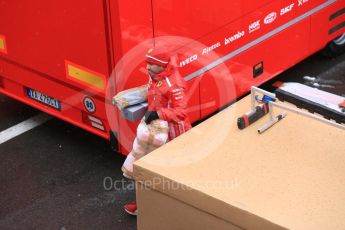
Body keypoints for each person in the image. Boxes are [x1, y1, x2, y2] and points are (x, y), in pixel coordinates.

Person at [123, 48, 192, 216]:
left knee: (166, 173)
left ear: (161, 66)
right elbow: (154, 94)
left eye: (152, 64)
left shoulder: (174, 84)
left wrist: (158, 114)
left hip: (173, 134)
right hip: (155, 131)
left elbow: (181, 113)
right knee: (147, 169)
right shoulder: (156, 76)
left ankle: (168, 208)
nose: (147, 67)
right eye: (147, 63)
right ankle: (145, 205)